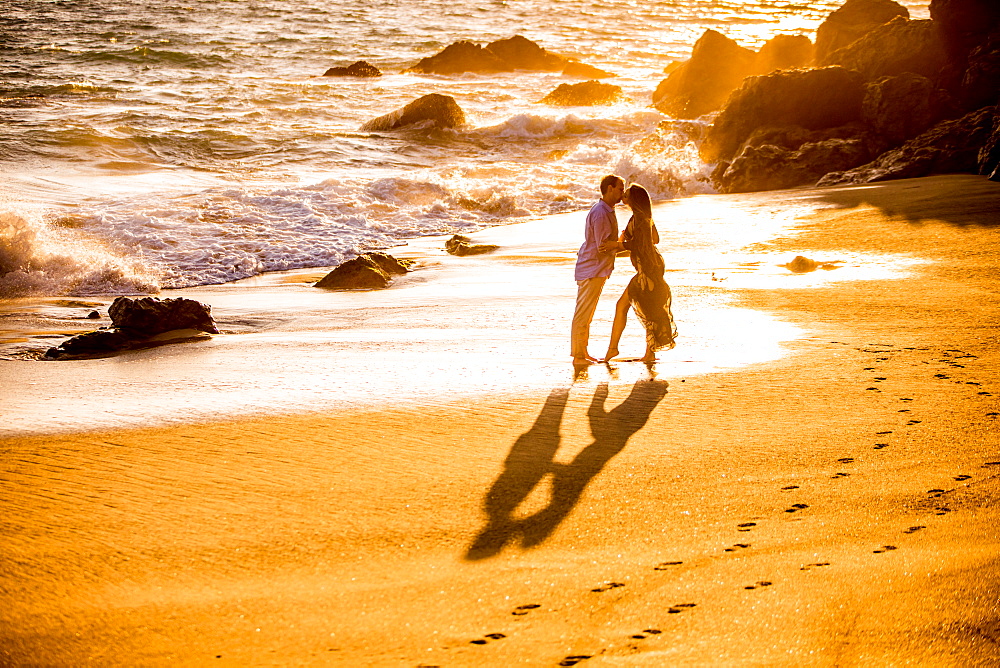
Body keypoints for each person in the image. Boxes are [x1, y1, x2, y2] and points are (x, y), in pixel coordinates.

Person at [603, 183, 677, 362]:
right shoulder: (642, 217)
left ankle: (614, 350)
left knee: (625, 306)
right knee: (649, 308)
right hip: (650, 267)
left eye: (626, 194)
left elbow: (643, 243)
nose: (623, 196)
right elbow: (654, 239)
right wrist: (620, 244)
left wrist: (617, 244)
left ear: (633, 199)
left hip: (648, 269)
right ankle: (648, 354)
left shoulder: (641, 219)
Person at [571, 174, 625, 365]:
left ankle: (582, 352)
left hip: (595, 268)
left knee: (587, 313)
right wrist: (627, 245)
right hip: (592, 268)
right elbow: (603, 245)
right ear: (609, 188)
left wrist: (621, 244)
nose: (622, 193)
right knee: (583, 313)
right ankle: (578, 356)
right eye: (620, 188)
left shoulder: (606, 210)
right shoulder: (602, 212)